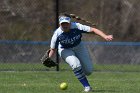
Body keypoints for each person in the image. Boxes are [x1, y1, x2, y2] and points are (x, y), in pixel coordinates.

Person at [48, 13, 113, 92]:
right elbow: (53, 49)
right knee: (75, 64)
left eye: (66, 23)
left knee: (88, 71)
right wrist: (49, 58)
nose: (65, 25)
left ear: (70, 23)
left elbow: (93, 30)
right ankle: (87, 87)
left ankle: (79, 71)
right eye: (63, 24)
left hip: (79, 46)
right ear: (59, 24)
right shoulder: (57, 34)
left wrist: (105, 36)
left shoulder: (76, 26)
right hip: (65, 49)